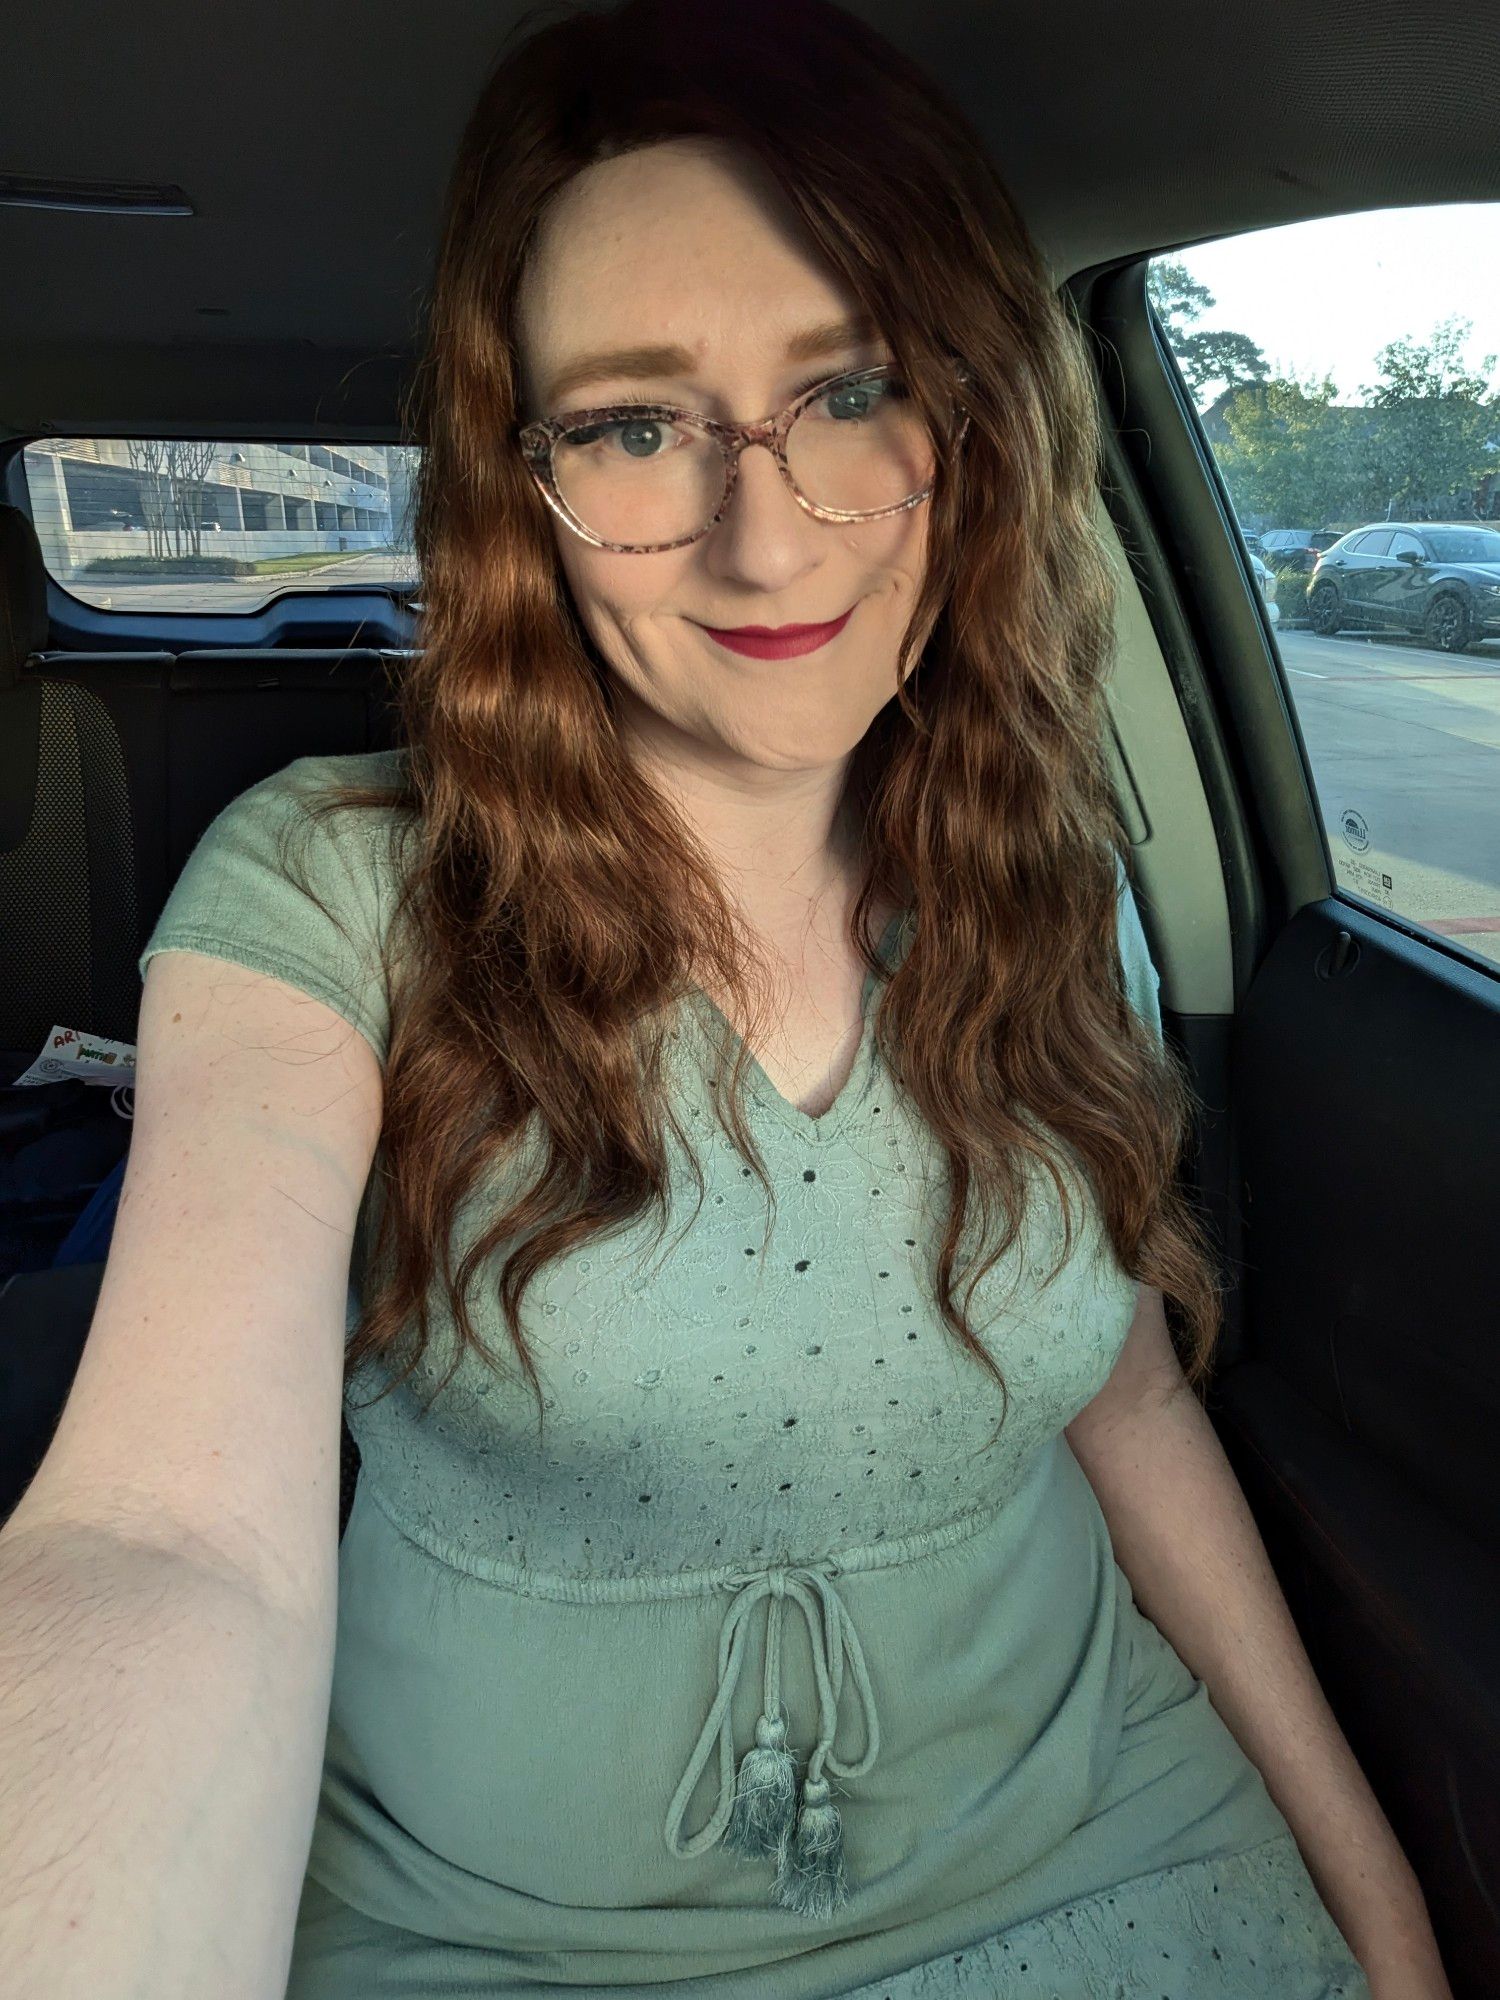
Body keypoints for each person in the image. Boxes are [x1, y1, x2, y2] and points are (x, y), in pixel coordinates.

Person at [9, 1, 1448, 1996]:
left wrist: (1382, 1914)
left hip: (1105, 1851)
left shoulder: (1046, 882)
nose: (765, 535)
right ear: (528, 485)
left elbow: (1116, 1395)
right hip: (491, 1932)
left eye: (848, 387)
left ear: (968, 421)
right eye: (630, 421)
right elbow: (176, 1544)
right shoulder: (333, 889)